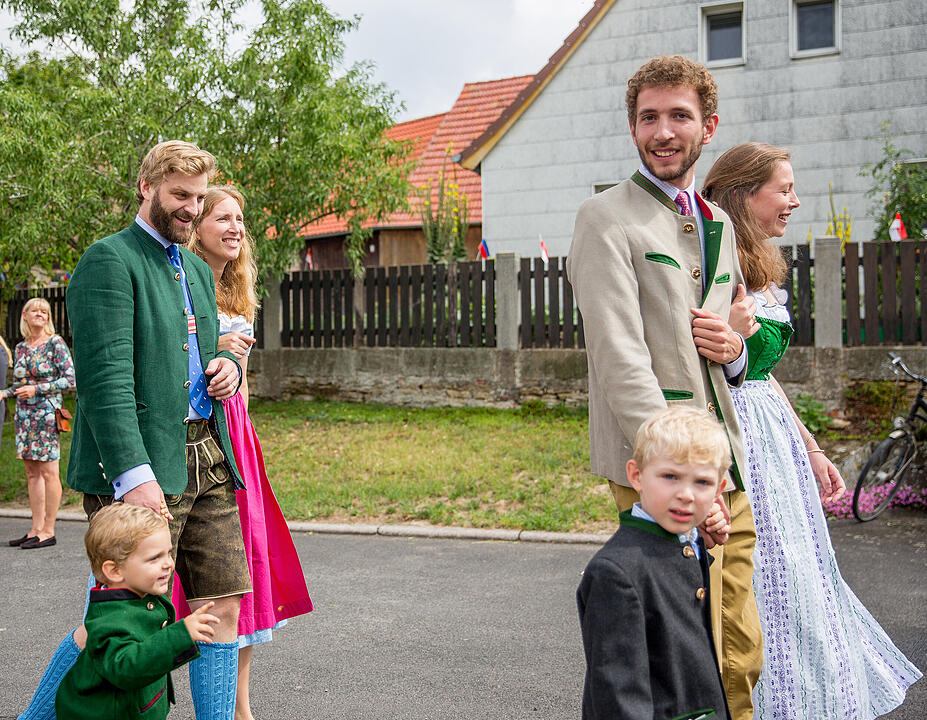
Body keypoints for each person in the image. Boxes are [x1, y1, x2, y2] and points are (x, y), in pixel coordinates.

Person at [17, 141, 248, 720]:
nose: (191, 210)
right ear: (146, 187)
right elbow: (105, 381)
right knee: (124, 617)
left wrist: (228, 367)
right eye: (179, 196)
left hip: (206, 449)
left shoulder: (195, 266)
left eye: (199, 198)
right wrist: (133, 476)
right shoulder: (108, 260)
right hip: (140, 463)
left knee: (222, 602)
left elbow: (196, 350)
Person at [565, 54, 763, 720]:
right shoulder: (604, 218)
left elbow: (729, 354)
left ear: (708, 125)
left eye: (678, 115)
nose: (662, 131)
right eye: (648, 117)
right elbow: (619, 356)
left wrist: (733, 351)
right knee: (672, 649)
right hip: (663, 468)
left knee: (737, 640)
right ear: (632, 128)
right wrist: (680, 475)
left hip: (721, 462)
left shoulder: (716, 222)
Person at [701, 142, 923, 719]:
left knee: (799, 572)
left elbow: (765, 377)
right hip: (736, 434)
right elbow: (710, 367)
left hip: (773, 435)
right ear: (745, 196)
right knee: (765, 577)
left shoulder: (764, 270)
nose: (794, 201)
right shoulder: (717, 270)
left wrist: (813, 447)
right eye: (785, 189)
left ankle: (811, 695)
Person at [172, 185, 313, 720]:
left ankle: (241, 708)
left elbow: (243, 387)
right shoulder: (179, 284)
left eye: (241, 220)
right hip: (187, 430)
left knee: (242, 574)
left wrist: (246, 446)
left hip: (234, 437)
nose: (236, 228)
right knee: (157, 578)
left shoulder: (236, 293)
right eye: (224, 218)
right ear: (197, 225)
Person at [577, 406, 731, 720]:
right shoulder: (616, 572)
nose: (686, 495)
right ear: (636, 476)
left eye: (702, 482)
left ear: (719, 490)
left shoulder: (688, 542)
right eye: (670, 476)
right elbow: (618, 697)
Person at [55, 503, 221, 720]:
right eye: (154, 558)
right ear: (114, 571)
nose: (168, 564)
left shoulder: (142, 596)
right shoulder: (109, 619)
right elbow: (125, 667)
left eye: (168, 553)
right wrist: (181, 635)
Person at [1, 298, 75, 549]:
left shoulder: (56, 343)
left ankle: (49, 530)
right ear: (24, 315)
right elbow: (19, 386)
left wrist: (37, 389)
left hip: (45, 415)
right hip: (23, 417)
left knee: (48, 471)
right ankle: (35, 528)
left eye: (45, 310)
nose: (41, 314)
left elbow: (69, 380)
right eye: (35, 310)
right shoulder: (21, 347)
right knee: (32, 473)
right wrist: (5, 393)